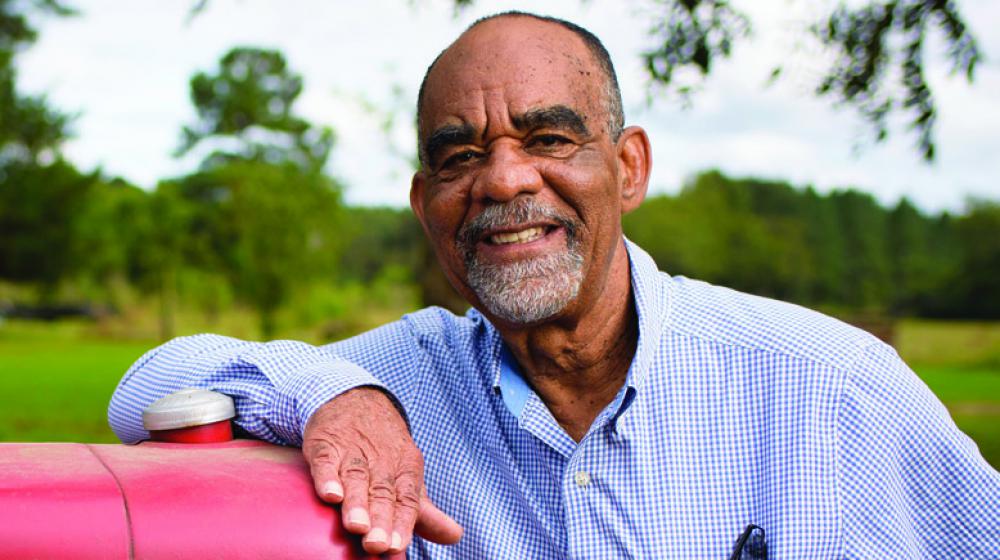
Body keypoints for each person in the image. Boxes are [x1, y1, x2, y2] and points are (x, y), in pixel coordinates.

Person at [109, 11, 1000, 559]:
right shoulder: (403, 377)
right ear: (428, 207)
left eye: (548, 139)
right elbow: (145, 389)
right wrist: (335, 393)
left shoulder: (829, 390)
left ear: (628, 167)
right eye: (461, 155)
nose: (502, 181)